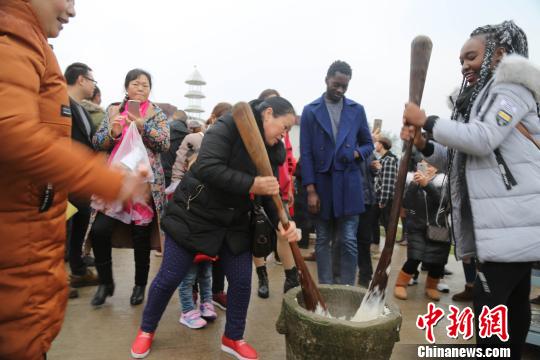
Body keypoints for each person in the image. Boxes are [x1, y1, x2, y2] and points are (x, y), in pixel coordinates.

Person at [0, 1, 147, 358]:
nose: (72, 10)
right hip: (23, 235)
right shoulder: (13, 43)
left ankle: (136, 287)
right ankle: (102, 281)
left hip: (40, 223)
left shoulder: (31, 45)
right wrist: (110, 174)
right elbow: (14, 133)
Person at [402, 21, 540, 358]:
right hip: (503, 223)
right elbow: (457, 156)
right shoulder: (479, 101)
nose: (464, 65)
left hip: (510, 222)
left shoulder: (511, 91)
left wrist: (428, 121)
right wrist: (423, 142)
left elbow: (482, 138)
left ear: (500, 54)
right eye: (461, 60)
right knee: (513, 303)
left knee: (489, 310)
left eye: (472, 56)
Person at [130, 97, 300, 360]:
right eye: (285, 127)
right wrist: (252, 184)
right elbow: (208, 167)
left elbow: (271, 193)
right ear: (268, 114)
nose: (285, 134)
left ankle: (233, 337)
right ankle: (146, 330)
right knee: (170, 276)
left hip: (234, 222)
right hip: (195, 213)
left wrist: (283, 223)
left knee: (242, 282)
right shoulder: (229, 124)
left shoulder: (271, 149)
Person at [88, 69, 170, 307]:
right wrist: (113, 133)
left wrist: (143, 126)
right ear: (126, 87)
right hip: (114, 180)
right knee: (99, 230)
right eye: (136, 84)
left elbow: (164, 143)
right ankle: (106, 282)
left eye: (146, 85)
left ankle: (139, 285)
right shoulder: (114, 109)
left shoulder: (157, 114)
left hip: (144, 184)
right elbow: (97, 142)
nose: (141, 88)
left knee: (141, 235)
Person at [300, 60, 374, 285]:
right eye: (336, 85)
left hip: (349, 184)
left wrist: (356, 154)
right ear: (327, 80)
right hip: (322, 185)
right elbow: (306, 154)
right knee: (322, 239)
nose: (340, 90)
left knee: (349, 239)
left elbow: (368, 143)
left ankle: (347, 288)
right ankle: (325, 286)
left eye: (344, 86)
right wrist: (310, 190)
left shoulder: (357, 109)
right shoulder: (310, 111)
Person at [252, 89, 300, 299]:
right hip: (259, 186)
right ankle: (262, 276)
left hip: (279, 185)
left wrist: (288, 186)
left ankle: (292, 277)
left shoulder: (281, 132)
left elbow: (288, 160)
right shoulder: (254, 132)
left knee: (284, 228)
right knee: (259, 231)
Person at [64, 62, 101, 295]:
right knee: (62, 228)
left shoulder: (80, 108)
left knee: (80, 222)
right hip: (65, 177)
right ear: (81, 80)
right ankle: (59, 278)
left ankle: (77, 269)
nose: (94, 85)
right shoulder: (59, 103)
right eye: (92, 80)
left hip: (80, 179)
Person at [393, 161, 450, 301]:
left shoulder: (443, 182)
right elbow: (406, 202)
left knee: (437, 261)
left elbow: (443, 202)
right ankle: (400, 284)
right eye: (424, 165)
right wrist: (415, 184)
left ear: (437, 168)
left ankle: (431, 286)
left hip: (438, 228)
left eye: (430, 165)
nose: (427, 169)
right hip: (417, 227)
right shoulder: (413, 181)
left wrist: (427, 185)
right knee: (414, 258)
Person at [356, 150, 378, 287]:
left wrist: (374, 168)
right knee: (347, 239)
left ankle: (366, 274)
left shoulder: (369, 152)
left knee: (364, 239)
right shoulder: (349, 145)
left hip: (368, 200)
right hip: (353, 198)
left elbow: (372, 173)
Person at [373, 136, 398, 240]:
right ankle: (375, 242)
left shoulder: (389, 160)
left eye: (377, 143)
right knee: (373, 221)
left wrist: (383, 200)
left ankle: (388, 247)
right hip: (378, 196)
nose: (375, 145)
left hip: (384, 198)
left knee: (387, 224)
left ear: (381, 145)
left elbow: (388, 182)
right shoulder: (382, 160)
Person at [161, 110, 189, 187]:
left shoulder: (163, 128)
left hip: (159, 169)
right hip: (176, 174)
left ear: (174, 117)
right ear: (185, 120)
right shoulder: (187, 134)